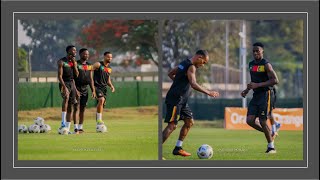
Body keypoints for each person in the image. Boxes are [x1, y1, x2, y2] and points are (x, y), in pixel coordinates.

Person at [162, 50, 220, 157]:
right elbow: (193, 84)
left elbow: (171, 73)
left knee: (189, 122)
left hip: (182, 101)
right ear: (199, 57)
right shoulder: (191, 66)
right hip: (176, 99)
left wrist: (179, 83)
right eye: (204, 62)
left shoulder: (183, 63)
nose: (203, 65)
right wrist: (209, 92)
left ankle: (178, 148)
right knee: (172, 126)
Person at [241, 42, 279, 153]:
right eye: (253, 51)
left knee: (263, 121)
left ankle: (271, 147)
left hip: (266, 94)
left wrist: (258, 85)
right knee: (250, 121)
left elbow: (275, 80)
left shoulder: (266, 64)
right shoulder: (251, 64)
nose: (255, 52)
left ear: (262, 51)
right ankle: (270, 133)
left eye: (257, 50)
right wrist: (247, 90)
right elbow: (254, 81)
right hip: (256, 95)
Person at [72, 48, 96, 134]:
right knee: (76, 108)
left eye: (88, 54)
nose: (87, 56)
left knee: (83, 109)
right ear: (80, 54)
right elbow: (72, 79)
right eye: (85, 54)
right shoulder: (76, 64)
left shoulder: (89, 65)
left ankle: (80, 128)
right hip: (76, 88)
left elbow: (90, 79)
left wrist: (93, 90)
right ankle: (75, 128)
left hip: (85, 89)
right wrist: (75, 90)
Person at [57, 45, 79, 133]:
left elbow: (76, 75)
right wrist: (64, 87)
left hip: (72, 83)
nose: (75, 52)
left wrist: (74, 65)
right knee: (66, 98)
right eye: (73, 50)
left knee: (71, 105)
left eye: (76, 50)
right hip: (64, 83)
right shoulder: (61, 61)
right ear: (68, 51)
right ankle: (62, 123)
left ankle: (67, 128)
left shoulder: (74, 62)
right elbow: (59, 76)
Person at [92, 51, 115, 127]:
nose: (110, 58)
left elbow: (108, 79)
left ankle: (98, 122)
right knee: (101, 100)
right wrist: (91, 83)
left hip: (104, 88)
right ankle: (99, 120)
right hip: (97, 87)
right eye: (108, 57)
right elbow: (90, 70)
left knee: (102, 104)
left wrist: (111, 86)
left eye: (111, 57)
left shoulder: (109, 68)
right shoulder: (98, 64)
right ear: (104, 57)